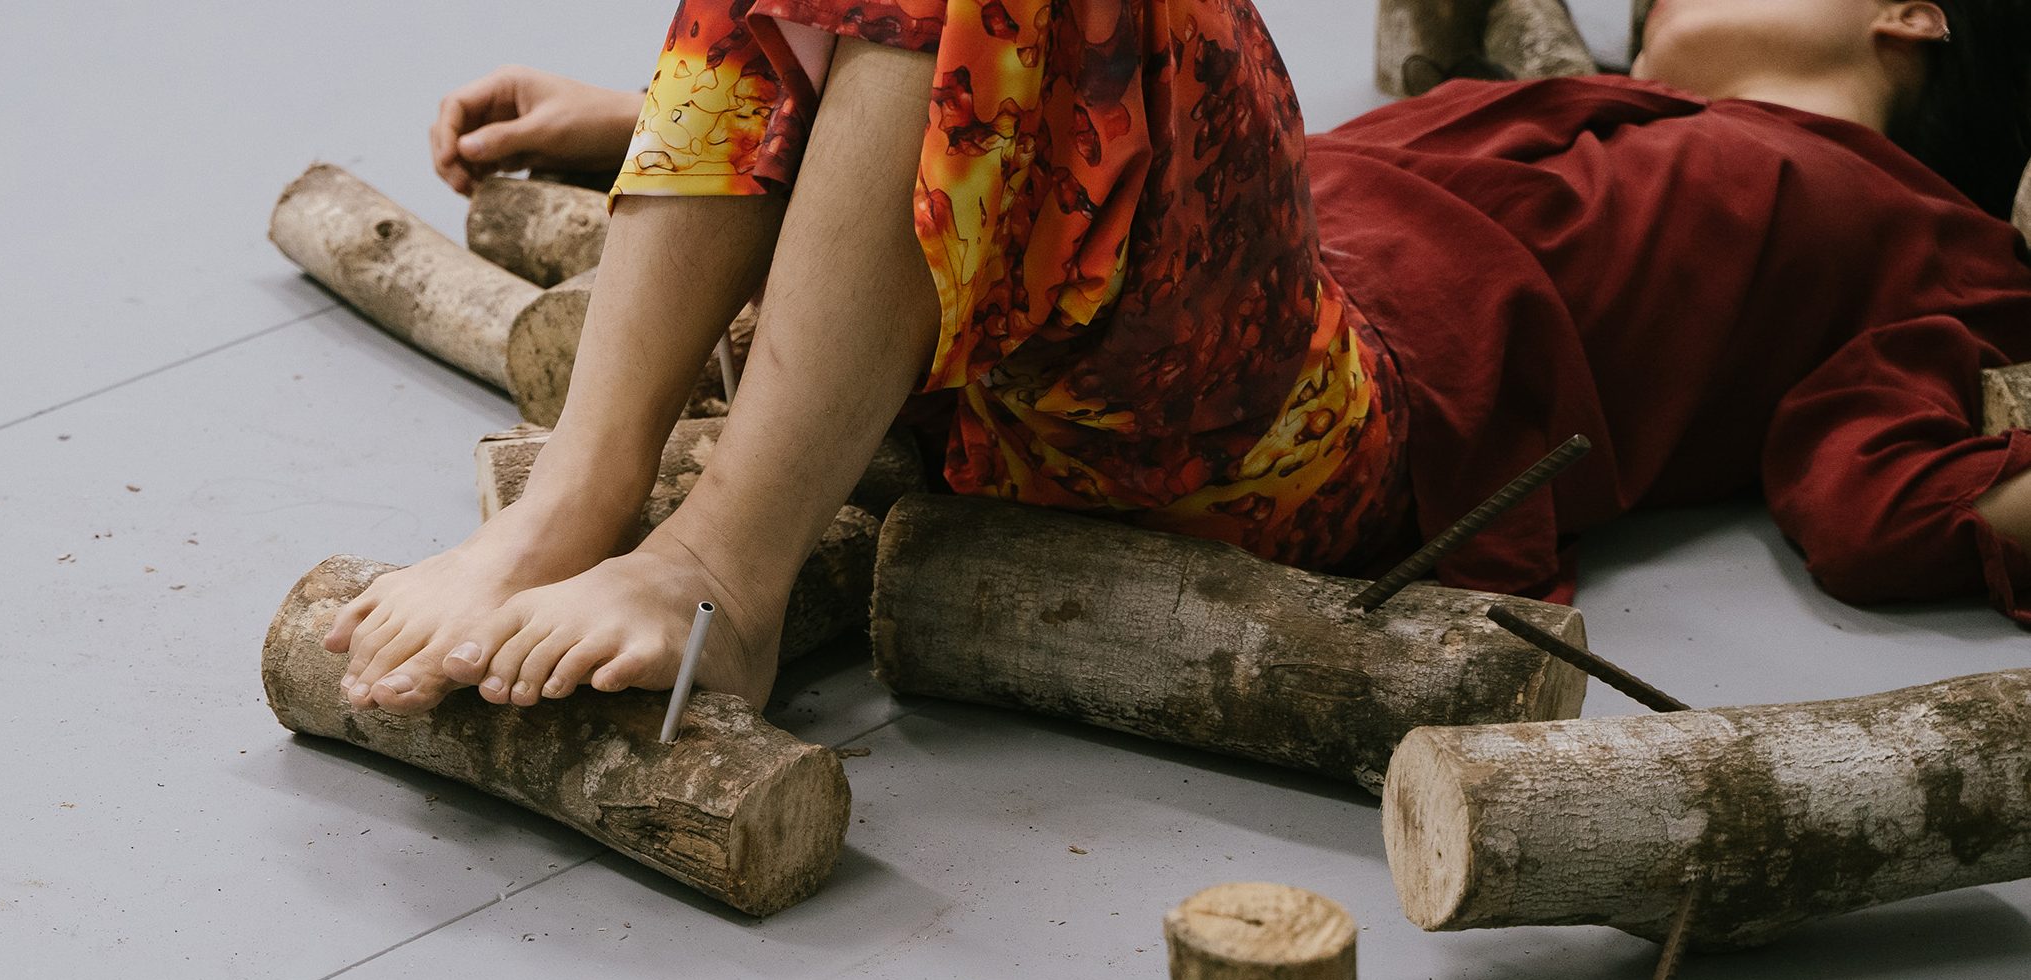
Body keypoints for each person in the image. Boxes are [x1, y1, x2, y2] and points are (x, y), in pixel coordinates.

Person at [326, 0, 2031, 717]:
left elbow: (1871, 488)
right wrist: (670, 117)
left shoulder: (1902, 227)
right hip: (1129, 335)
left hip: (1327, 423)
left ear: (1910, 14)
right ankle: (576, 503)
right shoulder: (1586, 109)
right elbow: (1084, 138)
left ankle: (718, 567)